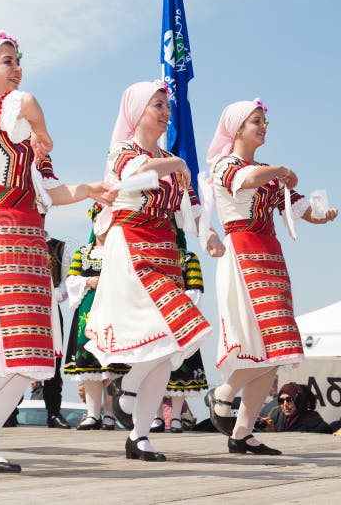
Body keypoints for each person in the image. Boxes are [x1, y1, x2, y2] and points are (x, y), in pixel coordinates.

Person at [0, 31, 115, 473]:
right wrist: (41, 129)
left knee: (34, 355)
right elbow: (28, 103)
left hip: (30, 239)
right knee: (3, 344)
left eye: (18, 61)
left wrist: (91, 188)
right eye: (6, 61)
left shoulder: (23, 135)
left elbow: (52, 191)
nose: (16, 69)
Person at [85, 81, 224, 462]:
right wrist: (177, 162)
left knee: (167, 348)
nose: (165, 112)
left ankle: (139, 432)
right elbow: (135, 173)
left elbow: (192, 210)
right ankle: (129, 388)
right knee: (180, 329)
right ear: (136, 112)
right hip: (131, 250)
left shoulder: (170, 160)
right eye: (158, 105)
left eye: (166, 106)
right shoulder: (122, 151)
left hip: (165, 254)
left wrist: (209, 236)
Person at [205, 98, 338, 455]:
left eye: (264, 121)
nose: (263, 127)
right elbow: (245, 180)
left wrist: (321, 216)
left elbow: (297, 206)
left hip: (270, 255)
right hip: (244, 253)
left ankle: (241, 432)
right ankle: (222, 393)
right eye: (256, 122)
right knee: (265, 342)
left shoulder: (267, 171)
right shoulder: (224, 165)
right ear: (236, 128)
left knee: (277, 350)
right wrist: (281, 169)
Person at [63, 203, 128, 431]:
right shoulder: (83, 252)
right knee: (89, 364)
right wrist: (88, 281)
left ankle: (110, 414)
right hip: (88, 313)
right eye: (97, 222)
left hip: (112, 311)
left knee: (110, 365)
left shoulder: (121, 252)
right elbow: (70, 281)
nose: (101, 228)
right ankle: (93, 414)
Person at [153, 227, 209, 433]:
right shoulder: (152, 255)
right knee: (154, 368)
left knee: (181, 372)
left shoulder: (188, 258)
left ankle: (176, 417)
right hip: (156, 320)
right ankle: (157, 417)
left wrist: (175, 308)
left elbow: (195, 289)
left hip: (181, 319)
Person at [43, 231, 71, 429]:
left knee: (54, 359)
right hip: (22, 305)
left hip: (50, 308)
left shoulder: (58, 246)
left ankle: (53, 412)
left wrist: (49, 294)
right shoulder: (19, 241)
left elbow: (65, 283)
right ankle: (10, 411)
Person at [259, 383, 332, 433]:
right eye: (281, 400)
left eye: (289, 399)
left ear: (300, 401)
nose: (285, 404)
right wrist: (271, 431)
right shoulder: (278, 420)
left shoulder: (318, 426)